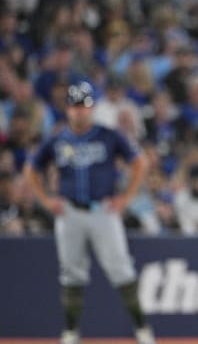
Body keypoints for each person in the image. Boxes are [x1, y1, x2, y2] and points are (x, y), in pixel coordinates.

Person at [23, 82, 155, 344]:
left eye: (84, 106)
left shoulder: (108, 135)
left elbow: (140, 162)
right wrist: (46, 200)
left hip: (103, 210)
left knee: (122, 270)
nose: (79, 112)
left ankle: (142, 329)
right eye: (74, 106)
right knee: (71, 273)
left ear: (92, 107)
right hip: (70, 212)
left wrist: (126, 197)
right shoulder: (58, 139)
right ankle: (71, 332)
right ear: (67, 108)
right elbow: (31, 168)